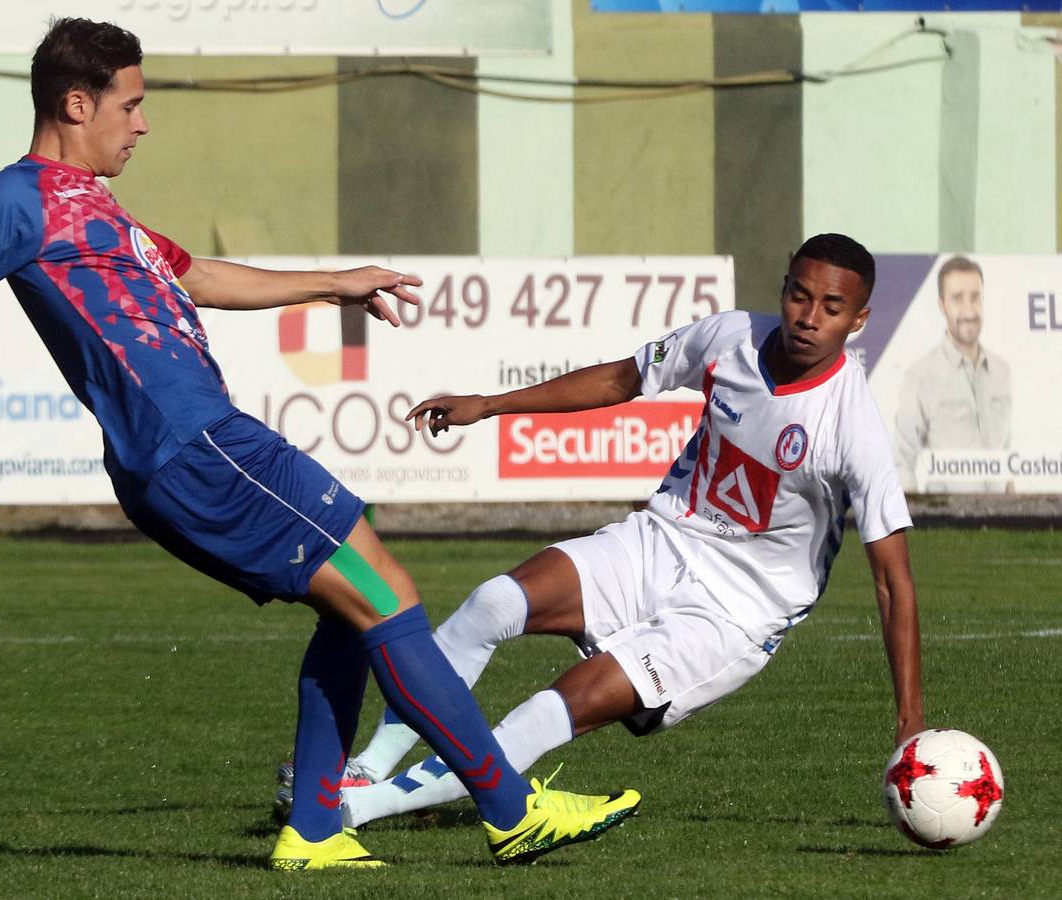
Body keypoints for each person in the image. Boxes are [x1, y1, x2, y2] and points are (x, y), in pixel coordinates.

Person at [0, 17, 639, 869]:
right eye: (131, 103)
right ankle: (511, 809)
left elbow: (203, 277)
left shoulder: (96, 205)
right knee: (387, 591)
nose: (142, 123)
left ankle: (314, 830)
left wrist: (338, 282)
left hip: (200, 446)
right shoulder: (20, 197)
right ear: (76, 103)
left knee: (350, 613)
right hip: (195, 446)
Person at [279, 234, 926, 830]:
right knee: (494, 602)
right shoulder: (728, 337)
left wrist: (908, 720)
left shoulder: (853, 424)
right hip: (662, 540)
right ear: (783, 288)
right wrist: (490, 404)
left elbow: (892, 583)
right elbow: (622, 379)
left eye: (832, 307)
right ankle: (365, 765)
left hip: (734, 612)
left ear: (857, 320)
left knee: (559, 704)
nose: (808, 317)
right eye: (798, 295)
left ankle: (351, 811)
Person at [893, 255, 1012, 492]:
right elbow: (902, 464)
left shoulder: (1002, 371)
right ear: (942, 305)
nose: (969, 310)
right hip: (949, 522)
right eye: (957, 299)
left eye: (975, 298)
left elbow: (1008, 454)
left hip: (1005, 521)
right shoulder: (919, 377)